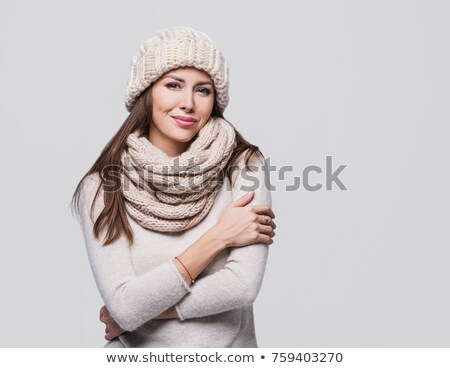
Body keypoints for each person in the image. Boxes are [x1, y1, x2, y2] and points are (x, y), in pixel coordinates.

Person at [71, 26, 276, 348]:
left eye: (203, 90)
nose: (188, 103)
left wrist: (142, 310)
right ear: (146, 93)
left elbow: (242, 286)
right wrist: (218, 237)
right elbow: (123, 305)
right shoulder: (100, 188)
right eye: (173, 85)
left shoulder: (245, 166)